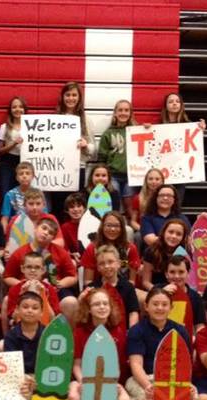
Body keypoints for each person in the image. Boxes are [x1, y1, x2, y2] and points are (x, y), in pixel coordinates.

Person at [66, 288, 131, 400]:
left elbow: (117, 364)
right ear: (88, 308)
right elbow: (77, 365)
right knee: (73, 396)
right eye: (96, 304)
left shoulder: (118, 330)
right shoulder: (80, 331)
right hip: (84, 379)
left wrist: (114, 385)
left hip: (110, 380)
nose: (101, 307)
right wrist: (83, 382)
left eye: (105, 303)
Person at [4, 218, 77, 305]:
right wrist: (23, 284)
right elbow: (7, 277)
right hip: (25, 290)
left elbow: (73, 277)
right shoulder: (19, 252)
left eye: (50, 233)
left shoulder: (60, 252)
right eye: (44, 228)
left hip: (54, 290)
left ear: (53, 238)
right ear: (35, 228)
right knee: (6, 300)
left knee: (71, 302)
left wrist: (60, 284)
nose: (46, 233)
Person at [51, 81, 96, 215]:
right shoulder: (54, 118)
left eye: (74, 95)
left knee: (76, 206)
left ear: (79, 98)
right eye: (68, 95)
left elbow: (93, 149)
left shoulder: (85, 119)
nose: (71, 98)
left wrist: (86, 145)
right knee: (58, 205)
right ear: (63, 97)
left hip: (77, 168)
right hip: (57, 168)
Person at [2, 252, 60, 334]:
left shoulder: (49, 289)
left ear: (43, 270)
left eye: (37, 267)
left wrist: (43, 295)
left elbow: (53, 319)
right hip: (22, 330)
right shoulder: (15, 289)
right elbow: (15, 318)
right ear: (22, 269)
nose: (33, 270)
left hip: (44, 330)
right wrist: (22, 294)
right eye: (29, 267)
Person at [81, 210, 140, 286]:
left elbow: (132, 281)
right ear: (102, 227)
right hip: (99, 291)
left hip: (124, 290)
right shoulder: (92, 248)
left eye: (116, 226)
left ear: (122, 228)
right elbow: (88, 281)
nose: (112, 229)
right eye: (108, 225)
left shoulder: (130, 248)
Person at [88, 245, 140, 329]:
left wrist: (131, 333)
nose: (106, 266)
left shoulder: (128, 287)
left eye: (110, 262)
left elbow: (133, 313)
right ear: (97, 268)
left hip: (122, 332)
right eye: (102, 263)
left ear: (118, 264)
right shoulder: (91, 288)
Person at [97, 99, 137, 200]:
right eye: (120, 110)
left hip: (132, 176)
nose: (123, 113)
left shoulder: (136, 131)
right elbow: (102, 158)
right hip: (113, 175)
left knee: (130, 206)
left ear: (130, 113)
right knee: (114, 203)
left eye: (126, 110)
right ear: (115, 113)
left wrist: (147, 128)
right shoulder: (108, 133)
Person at [162, 255, 206, 345]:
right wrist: (162, 294)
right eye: (172, 272)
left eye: (181, 272)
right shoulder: (157, 290)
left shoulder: (195, 297)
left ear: (188, 273)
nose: (177, 276)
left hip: (185, 342)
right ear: (166, 274)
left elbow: (200, 325)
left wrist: (196, 341)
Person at [141, 218, 190, 291]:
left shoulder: (185, 252)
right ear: (164, 232)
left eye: (178, 234)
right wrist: (161, 291)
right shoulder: (151, 251)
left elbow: (202, 242)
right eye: (170, 232)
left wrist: (202, 219)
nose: (174, 236)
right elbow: (146, 282)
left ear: (183, 238)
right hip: (157, 290)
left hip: (179, 290)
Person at [0, 96, 27, 200]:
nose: (17, 109)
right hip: (8, 163)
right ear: (10, 110)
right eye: (14, 107)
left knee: (23, 195)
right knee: (7, 194)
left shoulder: (31, 127)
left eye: (20, 107)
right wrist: (13, 143)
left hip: (24, 163)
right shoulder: (4, 127)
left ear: (25, 109)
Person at [1, 161, 39, 231]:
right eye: (21, 174)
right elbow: (5, 218)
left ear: (33, 176)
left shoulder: (38, 194)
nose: (24, 176)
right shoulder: (9, 195)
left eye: (27, 173)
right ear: (17, 177)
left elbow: (44, 216)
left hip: (34, 229)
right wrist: (5, 235)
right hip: (15, 230)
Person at [130, 167, 164, 234]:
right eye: (150, 179)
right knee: (138, 236)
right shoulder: (138, 198)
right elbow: (133, 222)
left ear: (162, 181)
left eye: (157, 179)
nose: (154, 182)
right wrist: (143, 230)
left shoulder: (166, 199)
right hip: (144, 230)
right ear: (146, 181)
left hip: (162, 230)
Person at [60, 193, 86, 267]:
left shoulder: (91, 224)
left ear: (84, 208)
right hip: (74, 262)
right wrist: (71, 255)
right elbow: (63, 250)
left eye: (79, 206)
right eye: (72, 207)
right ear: (67, 210)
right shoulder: (65, 227)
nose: (76, 209)